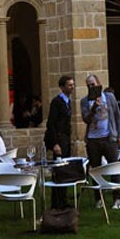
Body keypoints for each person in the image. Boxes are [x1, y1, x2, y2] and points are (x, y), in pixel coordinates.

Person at [80, 74, 120, 209]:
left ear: (99, 84)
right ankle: (98, 198)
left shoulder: (109, 98)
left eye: (92, 84)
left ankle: (117, 199)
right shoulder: (85, 101)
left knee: (113, 167)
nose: (91, 87)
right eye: (88, 85)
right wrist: (93, 108)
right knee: (96, 169)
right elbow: (86, 119)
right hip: (93, 139)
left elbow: (117, 116)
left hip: (108, 137)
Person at [44, 75, 75, 208]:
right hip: (59, 140)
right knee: (59, 170)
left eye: (73, 84)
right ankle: (56, 202)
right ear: (62, 87)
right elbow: (51, 123)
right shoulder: (57, 102)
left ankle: (63, 200)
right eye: (69, 85)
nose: (72, 87)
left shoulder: (68, 101)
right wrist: (55, 143)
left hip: (65, 139)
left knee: (65, 170)